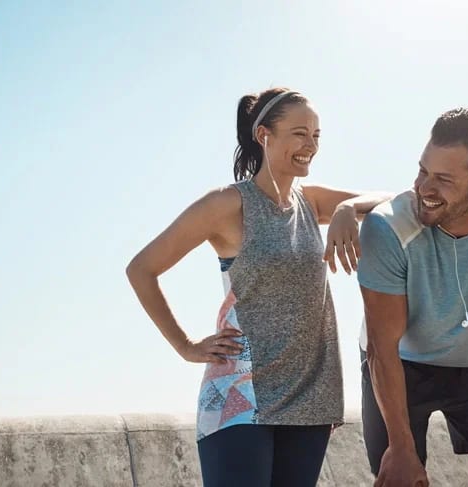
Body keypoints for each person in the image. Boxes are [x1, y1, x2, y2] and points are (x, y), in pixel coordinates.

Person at [126, 87, 390, 487]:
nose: (310, 145)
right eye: (299, 133)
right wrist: (185, 346)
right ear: (264, 134)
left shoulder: (312, 202)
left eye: (317, 135)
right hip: (242, 397)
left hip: (311, 396)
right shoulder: (227, 205)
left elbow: (395, 201)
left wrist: (346, 208)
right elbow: (141, 269)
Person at [347, 108, 468, 486]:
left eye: (442, 178)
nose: (424, 187)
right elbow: (382, 347)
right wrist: (402, 448)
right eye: (423, 170)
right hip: (400, 365)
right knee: (401, 478)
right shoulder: (387, 227)